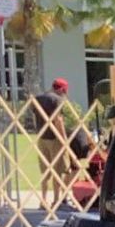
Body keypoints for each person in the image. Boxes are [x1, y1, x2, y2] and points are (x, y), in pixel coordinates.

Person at [27, 77, 77, 213]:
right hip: (54, 138)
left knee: (45, 172)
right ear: (61, 89)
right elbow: (58, 120)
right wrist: (64, 140)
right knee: (57, 171)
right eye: (64, 91)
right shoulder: (57, 100)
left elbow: (34, 116)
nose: (64, 94)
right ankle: (56, 200)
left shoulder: (37, 99)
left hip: (42, 138)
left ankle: (43, 200)